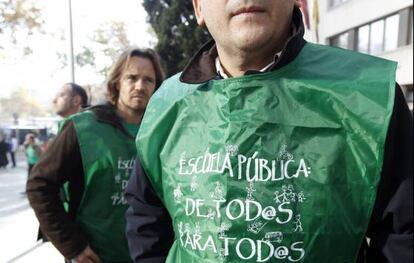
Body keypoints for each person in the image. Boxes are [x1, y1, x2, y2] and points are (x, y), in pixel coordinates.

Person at [125, 1, 413, 263]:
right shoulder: (166, 103)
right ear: (199, 8)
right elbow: (146, 217)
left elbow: (403, 233)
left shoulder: (366, 96)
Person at [26, 47, 164, 263]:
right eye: (132, 77)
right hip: (96, 257)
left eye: (148, 80)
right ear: (117, 81)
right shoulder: (83, 127)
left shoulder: (162, 131)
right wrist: (73, 246)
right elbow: (39, 185)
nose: (140, 86)